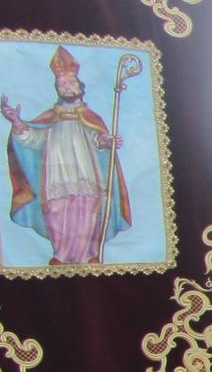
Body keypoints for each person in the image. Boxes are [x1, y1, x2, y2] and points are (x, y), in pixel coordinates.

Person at [3, 46, 131, 264]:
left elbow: (97, 139)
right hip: (57, 175)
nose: (67, 86)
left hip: (86, 174)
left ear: (80, 87)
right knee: (57, 212)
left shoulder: (90, 117)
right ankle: (61, 255)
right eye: (62, 84)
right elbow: (33, 139)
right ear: (57, 90)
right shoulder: (50, 118)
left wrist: (107, 140)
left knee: (89, 209)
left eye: (71, 83)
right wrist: (16, 122)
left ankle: (90, 255)